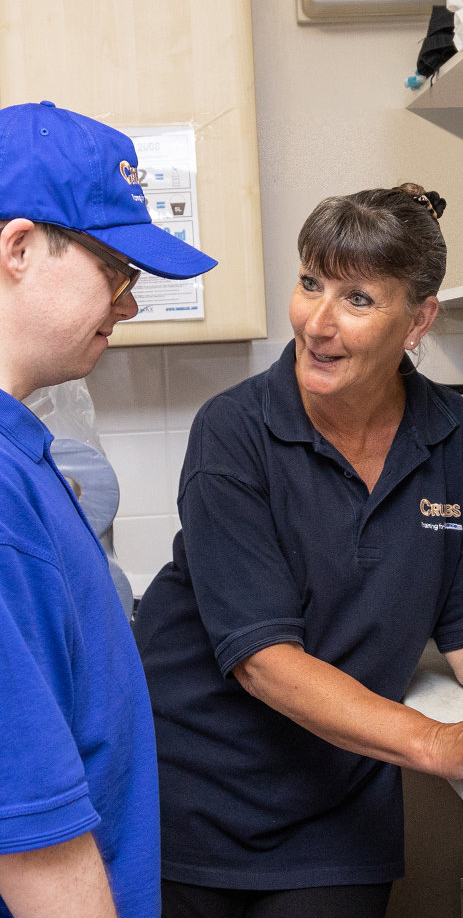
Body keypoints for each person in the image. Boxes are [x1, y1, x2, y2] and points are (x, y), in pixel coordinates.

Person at [132, 182, 463, 918]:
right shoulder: (234, 432)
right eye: (310, 283)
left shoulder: (454, 437)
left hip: (338, 802)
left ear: (419, 320)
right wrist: (437, 740)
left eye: (357, 299)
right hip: (194, 794)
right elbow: (264, 661)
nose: (317, 322)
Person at [0, 100, 217, 918]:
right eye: (116, 272)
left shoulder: (25, 453)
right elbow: (31, 842)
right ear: (19, 248)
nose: (128, 304)